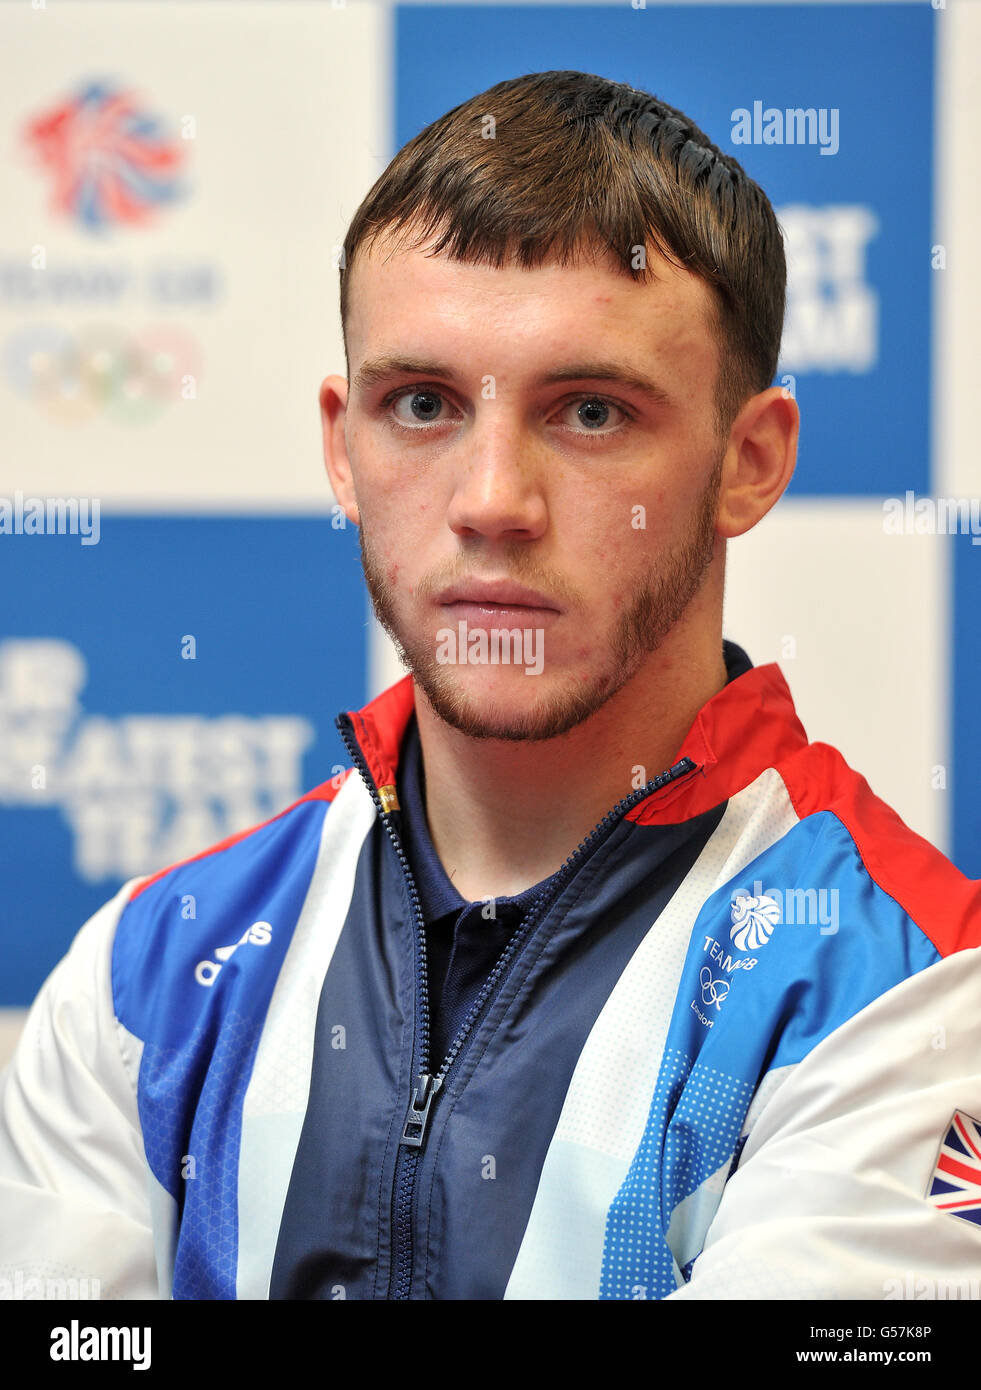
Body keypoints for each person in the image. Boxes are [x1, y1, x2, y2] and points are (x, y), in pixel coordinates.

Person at [2, 69, 980, 1303]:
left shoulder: (912, 987)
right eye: (420, 404)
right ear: (340, 446)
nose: (489, 503)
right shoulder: (150, 974)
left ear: (750, 461)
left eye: (590, 411)